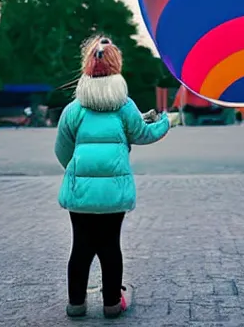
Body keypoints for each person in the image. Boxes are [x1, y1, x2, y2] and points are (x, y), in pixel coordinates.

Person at [54, 35, 170, 319]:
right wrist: (164, 122)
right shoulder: (124, 106)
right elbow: (142, 134)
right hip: (114, 195)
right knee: (110, 247)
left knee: (80, 247)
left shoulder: (74, 110)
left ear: (86, 66)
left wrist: (80, 171)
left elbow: (62, 150)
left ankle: (76, 304)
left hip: (80, 194)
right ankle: (111, 305)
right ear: (116, 66)